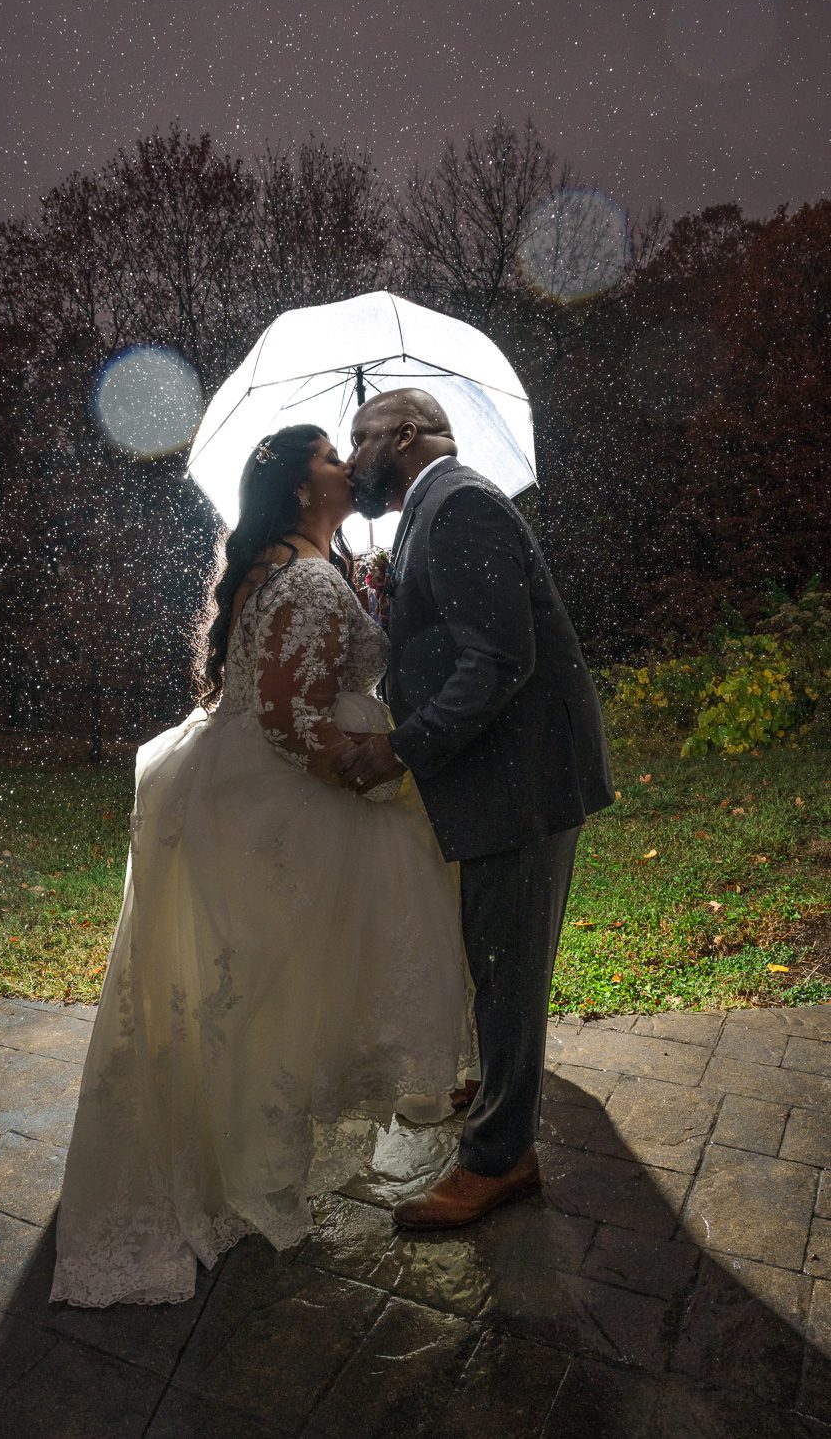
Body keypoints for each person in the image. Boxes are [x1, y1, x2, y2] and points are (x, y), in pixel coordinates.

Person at [50, 423, 475, 1307]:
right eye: (330, 457)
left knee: (251, 997)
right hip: (296, 808)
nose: (346, 466)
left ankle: (243, 1153)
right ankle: (253, 1164)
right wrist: (362, 772)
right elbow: (287, 718)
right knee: (277, 999)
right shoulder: (305, 575)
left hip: (242, 795)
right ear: (299, 488)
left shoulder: (290, 564)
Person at [339, 389, 614, 1230]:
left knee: (508, 970)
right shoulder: (435, 509)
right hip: (502, 776)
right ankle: (498, 1100)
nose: (353, 460)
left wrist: (399, 746)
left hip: (522, 780)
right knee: (494, 956)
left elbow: (498, 659)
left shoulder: (458, 505)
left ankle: (500, 1160)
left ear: (408, 435)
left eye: (362, 439)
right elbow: (454, 638)